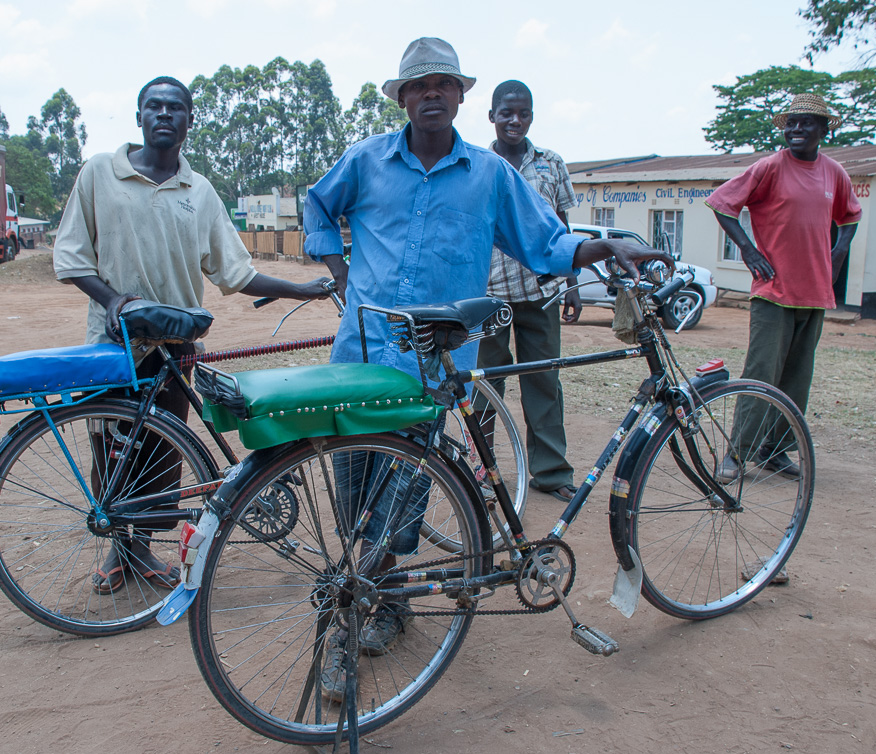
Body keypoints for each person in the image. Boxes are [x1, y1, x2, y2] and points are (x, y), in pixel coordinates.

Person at [303, 38, 671, 692]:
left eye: (444, 83)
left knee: (408, 487)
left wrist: (608, 243)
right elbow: (318, 205)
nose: (433, 94)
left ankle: (353, 611)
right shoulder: (364, 161)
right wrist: (338, 271)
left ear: (461, 94)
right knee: (354, 489)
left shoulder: (490, 177)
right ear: (402, 97)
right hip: (361, 354)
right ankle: (384, 595)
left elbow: (547, 243)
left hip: (436, 363)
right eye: (420, 86)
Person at [54, 76, 329, 595]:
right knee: (111, 449)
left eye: (175, 108)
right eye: (153, 106)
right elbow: (71, 259)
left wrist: (301, 290)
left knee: (161, 450)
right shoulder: (99, 174)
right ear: (139, 116)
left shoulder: (198, 192)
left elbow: (235, 272)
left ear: (189, 121)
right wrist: (114, 301)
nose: (164, 114)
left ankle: (144, 552)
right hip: (114, 345)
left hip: (175, 346)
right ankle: (117, 550)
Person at [706, 93, 861, 481]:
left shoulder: (833, 173)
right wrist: (748, 250)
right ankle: (737, 455)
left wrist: (840, 251)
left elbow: (850, 215)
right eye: (791, 122)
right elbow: (723, 204)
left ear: (824, 130)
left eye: (806, 123)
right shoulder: (770, 167)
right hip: (774, 292)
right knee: (760, 375)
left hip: (815, 292)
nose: (796, 129)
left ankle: (773, 452)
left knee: (795, 380)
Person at [476, 79, 580, 504]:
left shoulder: (551, 164)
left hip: (542, 293)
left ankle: (551, 472)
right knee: (484, 385)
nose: (514, 120)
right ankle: (482, 470)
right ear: (492, 116)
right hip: (488, 296)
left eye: (522, 113)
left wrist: (571, 282)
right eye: (506, 113)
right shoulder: (478, 164)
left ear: (531, 117)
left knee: (544, 382)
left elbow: (561, 228)